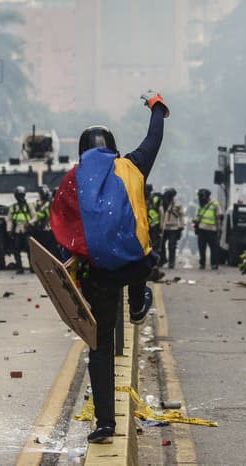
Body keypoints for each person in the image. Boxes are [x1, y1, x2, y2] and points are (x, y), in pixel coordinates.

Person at [50, 90, 167, 446]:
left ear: (82, 150)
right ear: (113, 147)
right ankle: (136, 303)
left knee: (99, 349)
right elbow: (154, 138)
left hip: (96, 274)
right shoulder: (132, 166)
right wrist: (157, 107)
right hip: (132, 268)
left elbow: (61, 226)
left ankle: (104, 424)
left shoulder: (73, 178)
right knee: (143, 256)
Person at [193, 188, 222, 270]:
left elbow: (219, 216)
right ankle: (202, 264)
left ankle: (214, 264)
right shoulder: (200, 205)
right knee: (202, 248)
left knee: (214, 249)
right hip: (202, 230)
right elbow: (197, 216)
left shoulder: (215, 204)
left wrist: (219, 229)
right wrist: (195, 223)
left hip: (212, 230)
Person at [7, 185, 33, 273]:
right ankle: (19, 267)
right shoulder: (13, 207)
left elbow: (35, 217)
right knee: (16, 250)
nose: (20, 198)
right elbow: (9, 219)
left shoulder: (29, 206)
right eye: (18, 196)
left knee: (29, 250)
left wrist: (29, 223)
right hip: (17, 231)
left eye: (21, 196)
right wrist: (9, 230)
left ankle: (32, 267)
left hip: (26, 230)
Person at [159, 188, 185, 269]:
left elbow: (181, 215)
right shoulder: (162, 203)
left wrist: (181, 226)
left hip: (173, 228)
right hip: (163, 228)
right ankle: (163, 259)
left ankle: (171, 262)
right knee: (161, 245)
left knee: (172, 246)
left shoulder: (177, 204)